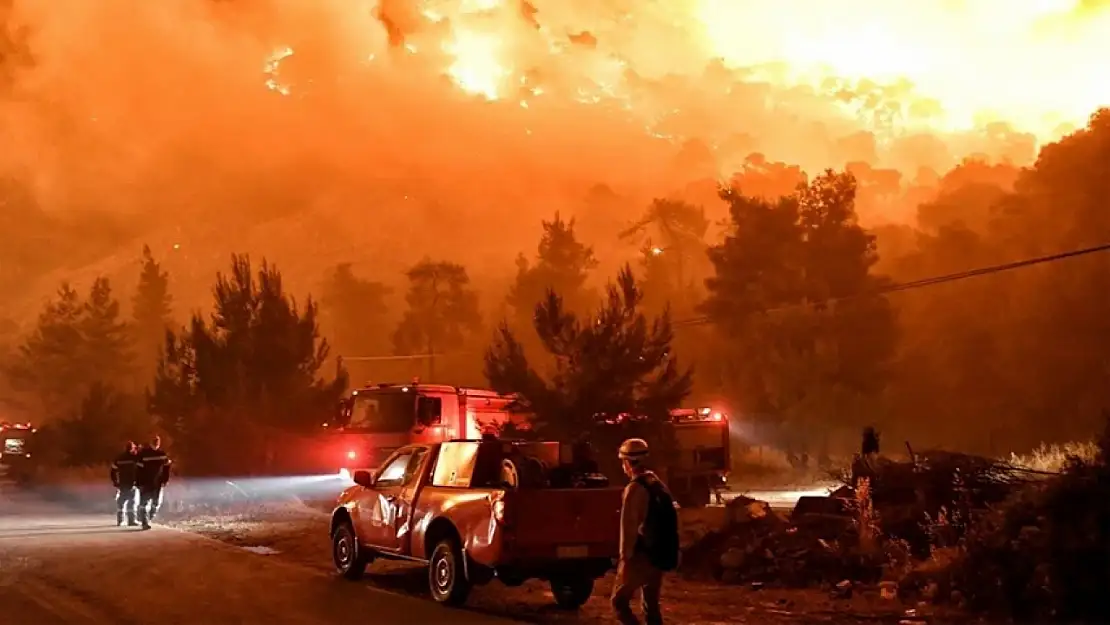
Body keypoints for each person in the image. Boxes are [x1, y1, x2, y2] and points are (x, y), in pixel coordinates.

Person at [611, 438, 679, 625]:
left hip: (643, 556)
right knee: (650, 603)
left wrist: (624, 558)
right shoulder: (656, 483)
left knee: (619, 601)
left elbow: (629, 527)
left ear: (627, 462)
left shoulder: (634, 489)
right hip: (660, 554)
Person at [135, 435, 172, 530]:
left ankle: (148, 517)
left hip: (156, 482)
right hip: (146, 482)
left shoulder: (161, 454)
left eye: (157, 442)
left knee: (155, 502)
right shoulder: (144, 454)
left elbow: (166, 468)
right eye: (155, 442)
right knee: (144, 502)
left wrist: (165, 479)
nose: (156, 444)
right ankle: (144, 521)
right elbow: (138, 470)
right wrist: (138, 482)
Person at [110, 441, 139, 527]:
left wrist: (115, 481)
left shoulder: (119, 458)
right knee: (132, 501)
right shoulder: (134, 458)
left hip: (122, 482)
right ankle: (131, 520)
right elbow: (140, 470)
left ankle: (120, 520)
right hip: (132, 482)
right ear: (133, 448)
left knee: (122, 501)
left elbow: (113, 471)